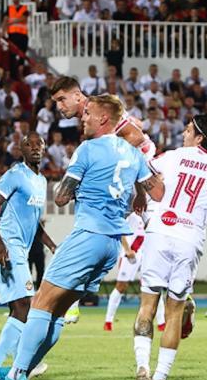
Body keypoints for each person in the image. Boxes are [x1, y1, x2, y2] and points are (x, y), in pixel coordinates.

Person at [0, 94, 164, 380]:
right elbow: (155, 192)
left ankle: (16, 375)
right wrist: (136, 193)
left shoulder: (88, 149)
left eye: (89, 114)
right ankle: (21, 371)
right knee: (58, 312)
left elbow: (62, 197)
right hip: (110, 248)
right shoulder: (134, 155)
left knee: (41, 303)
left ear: (104, 119)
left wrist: (81, 185)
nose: (83, 119)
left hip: (87, 236)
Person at [134, 110, 207, 380]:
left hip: (159, 233)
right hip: (189, 238)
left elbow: (144, 178)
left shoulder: (172, 157)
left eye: (188, 129)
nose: (184, 133)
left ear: (199, 136)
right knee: (175, 311)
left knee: (147, 307)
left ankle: (142, 367)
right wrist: (206, 206)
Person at [50, 76, 157, 325]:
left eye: (61, 99)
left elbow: (137, 136)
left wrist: (108, 158)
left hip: (145, 172)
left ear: (78, 96)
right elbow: (134, 123)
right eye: (56, 102)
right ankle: (73, 302)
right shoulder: (95, 118)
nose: (59, 106)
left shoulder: (98, 113)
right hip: (132, 181)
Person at [0, 132, 56, 380]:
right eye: (29, 145)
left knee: (19, 309)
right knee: (26, 305)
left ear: (44, 149)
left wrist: (53, 246)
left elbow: (35, 224)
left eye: (39, 144)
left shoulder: (42, 181)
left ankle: (14, 365)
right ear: (21, 150)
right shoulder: (15, 175)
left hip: (21, 248)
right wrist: (0, 244)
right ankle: (1, 368)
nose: (35, 148)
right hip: (9, 249)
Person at [103, 212, 167, 331]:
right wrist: (127, 250)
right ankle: (108, 321)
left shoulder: (154, 212)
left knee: (154, 285)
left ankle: (161, 323)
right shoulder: (132, 215)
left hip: (147, 255)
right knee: (121, 286)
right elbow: (120, 230)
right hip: (131, 255)